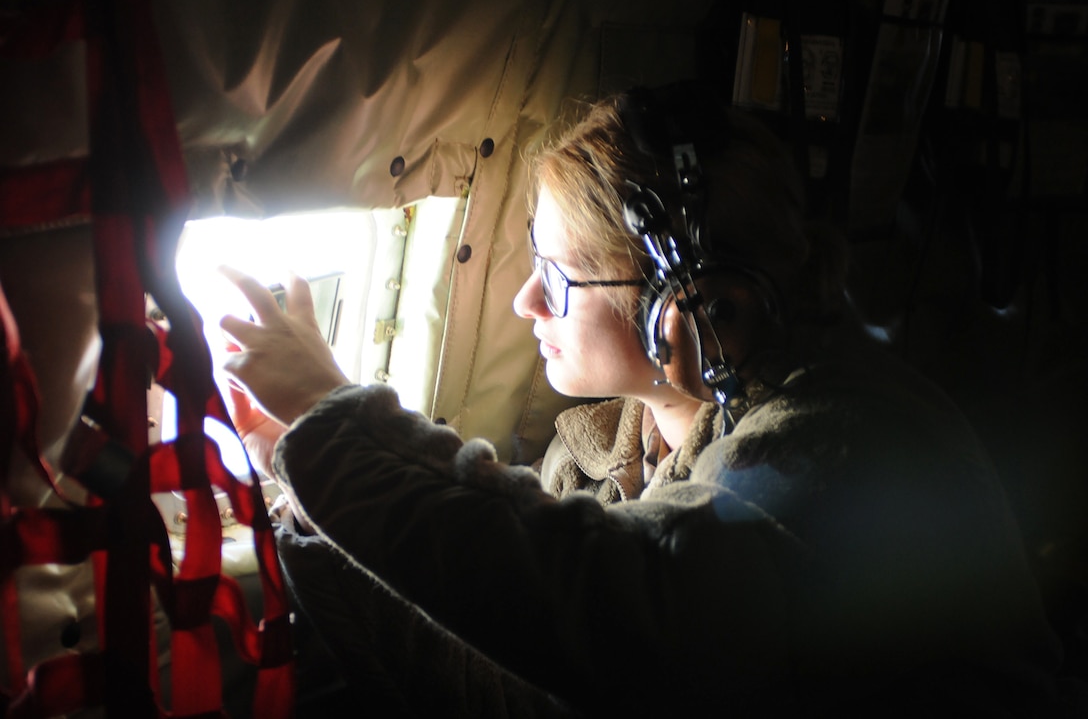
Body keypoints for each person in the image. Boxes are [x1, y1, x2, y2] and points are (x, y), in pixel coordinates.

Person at [218, 83, 1077, 716]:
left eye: (557, 277)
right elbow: (513, 677)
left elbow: (631, 597)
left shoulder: (847, 440)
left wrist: (338, 415)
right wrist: (300, 485)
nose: (525, 304)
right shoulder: (595, 455)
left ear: (695, 307)